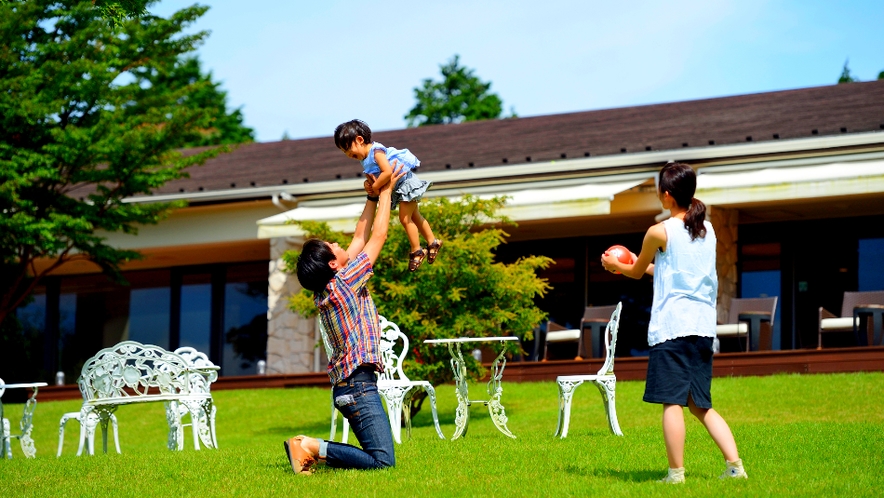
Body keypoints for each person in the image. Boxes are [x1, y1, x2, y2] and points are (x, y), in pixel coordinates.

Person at [601, 161, 748, 484]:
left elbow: (637, 271)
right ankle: (735, 467)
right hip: (702, 329)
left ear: (667, 196)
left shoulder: (659, 231)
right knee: (701, 406)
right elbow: (672, 272)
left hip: (672, 329)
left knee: (672, 403)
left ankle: (675, 474)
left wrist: (616, 263)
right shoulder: (707, 231)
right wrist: (630, 265)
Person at [283, 165, 409, 474]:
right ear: (333, 263)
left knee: (379, 459)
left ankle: (309, 448)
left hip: (350, 386)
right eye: (333, 246)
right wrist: (387, 192)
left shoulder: (330, 287)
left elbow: (359, 234)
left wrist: (370, 196)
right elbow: (377, 235)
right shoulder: (345, 282)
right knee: (383, 463)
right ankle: (309, 446)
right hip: (359, 386)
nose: (340, 244)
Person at [334, 119, 441, 272]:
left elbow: (387, 172)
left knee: (405, 219)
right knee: (415, 216)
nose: (348, 154)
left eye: (347, 149)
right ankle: (432, 241)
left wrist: (376, 187)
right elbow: (373, 178)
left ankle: (416, 249)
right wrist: (369, 185)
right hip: (399, 188)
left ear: (359, 140)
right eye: (344, 152)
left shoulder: (376, 151)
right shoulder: (364, 160)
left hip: (405, 184)